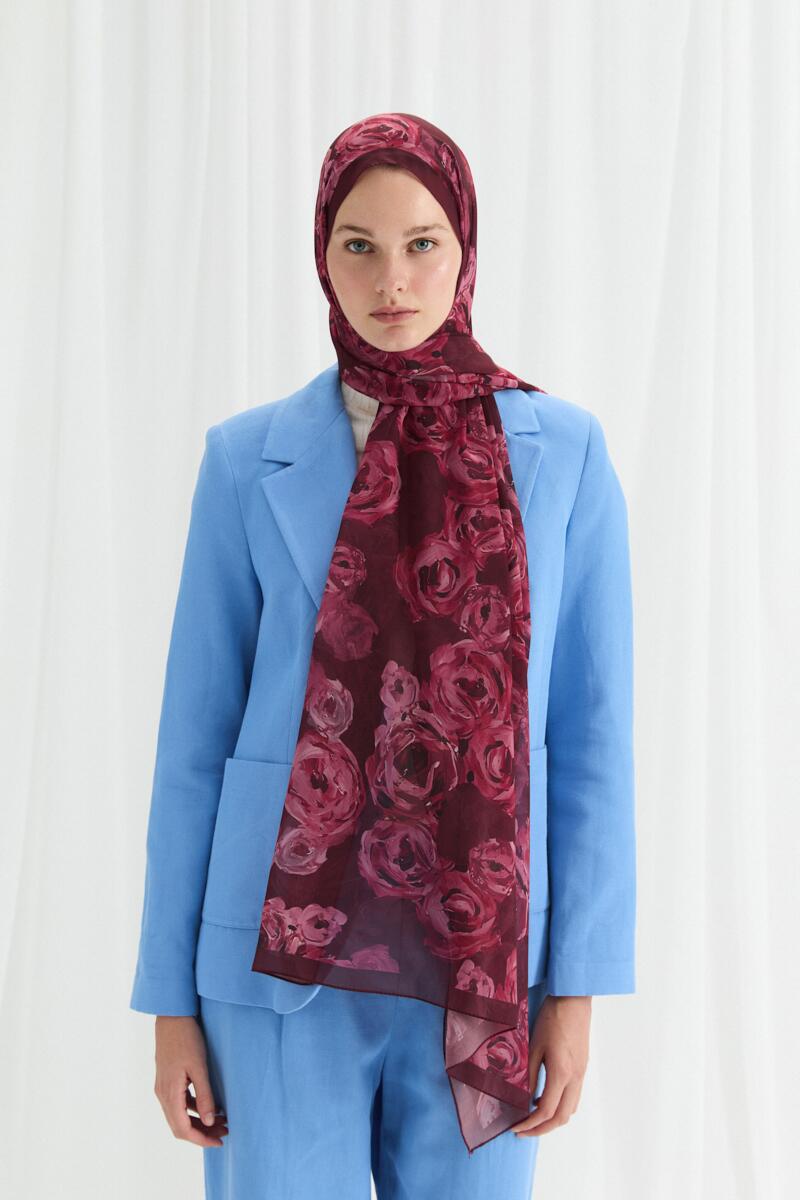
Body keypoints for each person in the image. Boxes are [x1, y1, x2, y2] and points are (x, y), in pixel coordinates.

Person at [130, 112, 636, 1199]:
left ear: (464, 250)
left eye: (421, 243)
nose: (391, 278)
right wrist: (169, 1002)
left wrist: (577, 986)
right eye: (357, 244)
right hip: (276, 957)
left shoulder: (564, 454)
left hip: (483, 956)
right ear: (322, 255)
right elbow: (193, 744)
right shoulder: (243, 462)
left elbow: (591, 736)